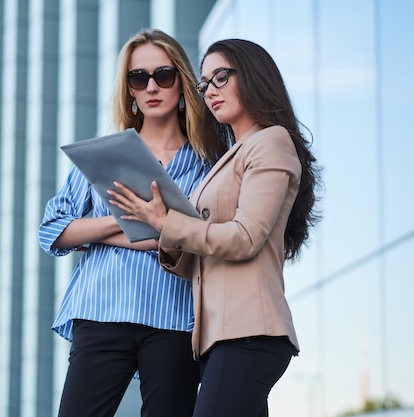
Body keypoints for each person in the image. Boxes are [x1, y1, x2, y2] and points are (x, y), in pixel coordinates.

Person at [108, 38, 322, 417]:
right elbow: (208, 257)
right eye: (205, 84)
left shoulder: (270, 142)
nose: (210, 92)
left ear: (254, 75)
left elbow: (245, 238)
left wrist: (166, 222)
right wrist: (170, 243)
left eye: (220, 77)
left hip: (249, 333)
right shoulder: (228, 158)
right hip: (220, 338)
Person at [38, 29, 226, 417]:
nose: (151, 86)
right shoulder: (103, 155)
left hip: (174, 316)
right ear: (129, 91)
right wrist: (130, 223)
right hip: (102, 309)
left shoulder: (208, 164)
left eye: (164, 75)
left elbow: (200, 241)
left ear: (182, 82)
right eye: (138, 78)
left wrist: (117, 228)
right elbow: (53, 230)